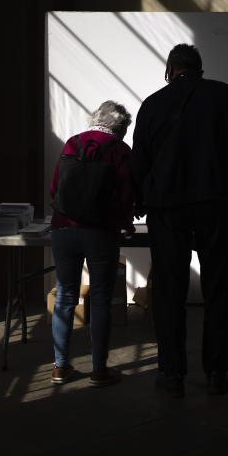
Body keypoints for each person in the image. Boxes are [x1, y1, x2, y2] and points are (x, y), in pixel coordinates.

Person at [131, 44, 228, 397]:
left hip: (167, 208)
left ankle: (172, 374)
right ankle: (217, 373)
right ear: (200, 68)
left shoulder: (153, 104)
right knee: (218, 290)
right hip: (216, 206)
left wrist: (146, 195)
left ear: (170, 68)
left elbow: (139, 160)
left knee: (168, 291)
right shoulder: (226, 95)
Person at [48, 100, 135, 387]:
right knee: (100, 300)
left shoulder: (73, 142)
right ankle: (99, 370)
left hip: (63, 229)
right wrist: (124, 221)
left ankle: (60, 367)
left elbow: (54, 188)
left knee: (65, 297)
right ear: (121, 127)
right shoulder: (120, 150)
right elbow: (125, 194)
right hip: (100, 232)